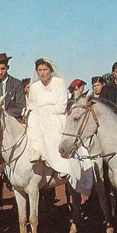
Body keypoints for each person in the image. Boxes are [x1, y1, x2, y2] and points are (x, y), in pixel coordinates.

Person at [26, 57, 92, 195]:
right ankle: (37, 151)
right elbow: (31, 105)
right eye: (40, 70)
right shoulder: (34, 87)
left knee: (53, 129)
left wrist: (44, 111)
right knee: (32, 119)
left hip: (56, 116)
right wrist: (37, 112)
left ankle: (62, 166)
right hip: (38, 117)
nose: (42, 73)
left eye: (45, 70)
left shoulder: (59, 83)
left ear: (50, 70)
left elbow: (62, 106)